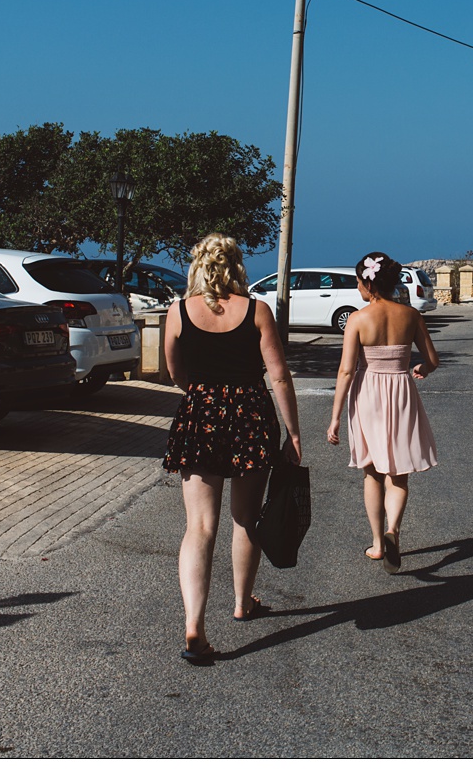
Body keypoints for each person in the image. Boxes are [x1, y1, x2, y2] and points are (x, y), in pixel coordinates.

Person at [163, 233, 302, 664]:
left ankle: (194, 626)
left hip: (200, 414)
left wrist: (205, 393)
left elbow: (175, 372)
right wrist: (293, 433)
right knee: (245, 518)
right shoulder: (257, 310)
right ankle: (242, 604)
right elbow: (279, 376)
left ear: (198, 266)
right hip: (250, 416)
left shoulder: (178, 311)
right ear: (237, 265)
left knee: (199, 526)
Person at [326, 251, 438, 574]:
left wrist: (335, 418)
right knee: (398, 472)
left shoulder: (358, 320)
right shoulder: (411, 316)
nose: (358, 287)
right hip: (401, 391)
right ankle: (393, 531)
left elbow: (346, 371)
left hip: (368, 395)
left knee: (372, 471)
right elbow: (432, 359)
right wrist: (423, 369)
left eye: (359, 282)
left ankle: (377, 543)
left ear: (368, 284)